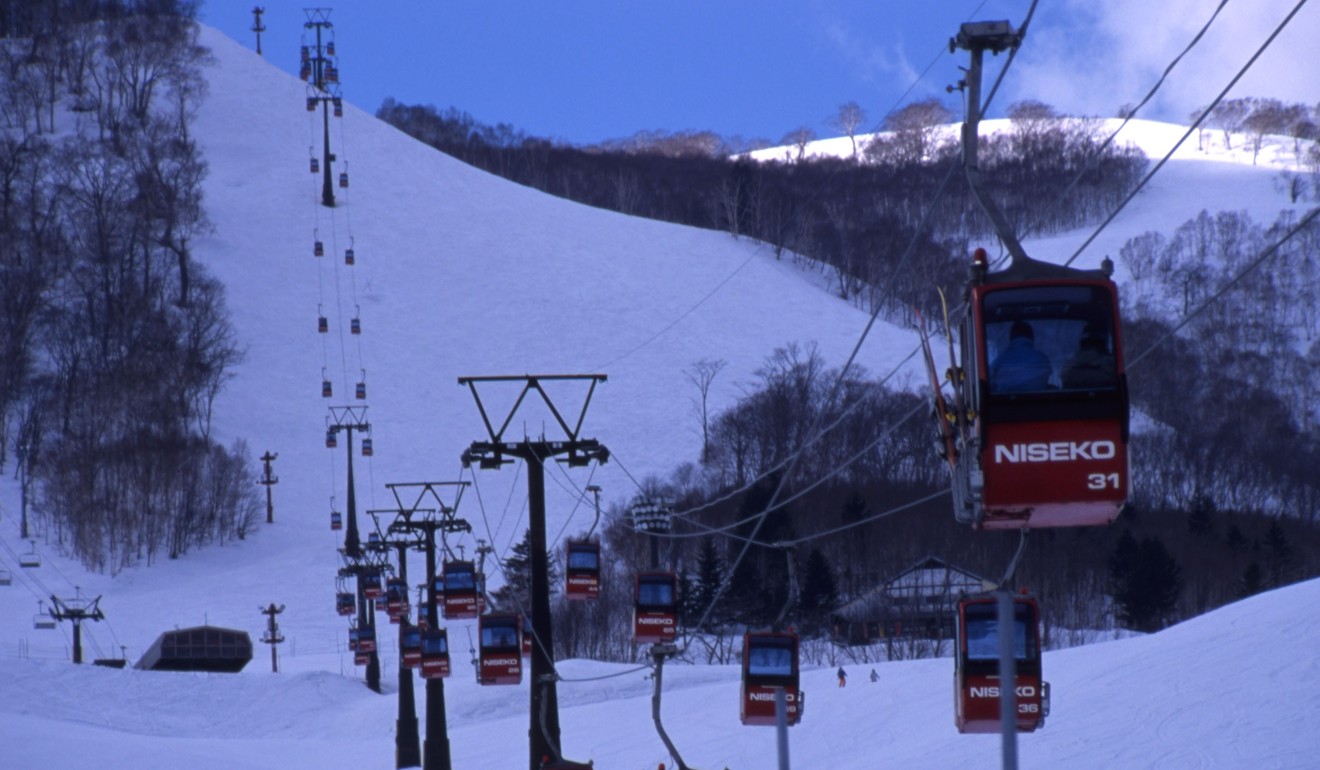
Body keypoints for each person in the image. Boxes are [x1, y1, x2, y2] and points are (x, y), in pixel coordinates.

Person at [990, 320, 1052, 392]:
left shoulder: (1000, 360)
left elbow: (990, 383)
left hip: (1006, 402)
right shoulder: (1042, 358)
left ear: (1011, 337)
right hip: (1040, 402)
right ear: (1031, 337)